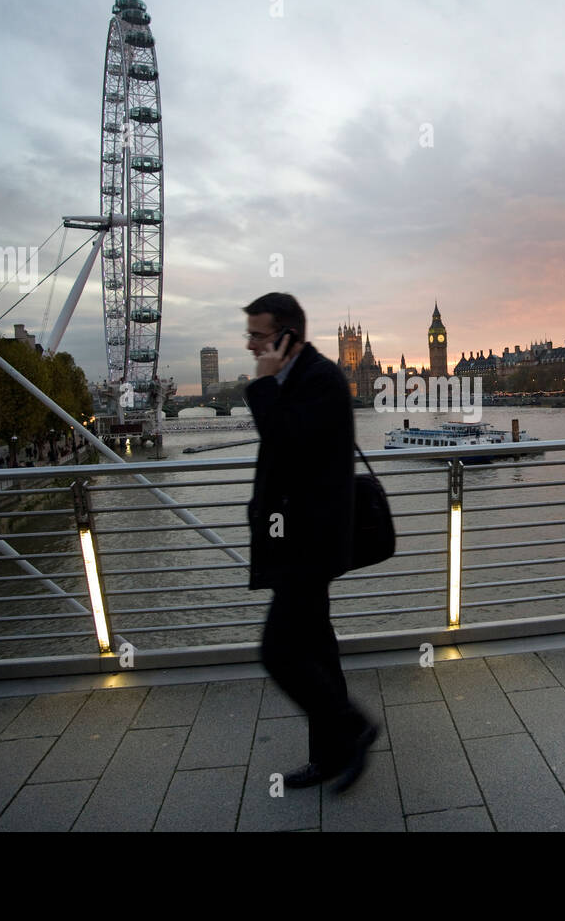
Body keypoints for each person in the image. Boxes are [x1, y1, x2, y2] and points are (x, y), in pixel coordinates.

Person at [242, 292, 377, 793]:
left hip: (309, 544)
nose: (251, 345)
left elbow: (284, 441)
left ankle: (354, 727)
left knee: (279, 651)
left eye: (258, 335)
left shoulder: (321, 379)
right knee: (317, 650)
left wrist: (260, 386)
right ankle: (331, 753)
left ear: (286, 337)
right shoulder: (298, 377)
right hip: (294, 538)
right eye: (251, 335)